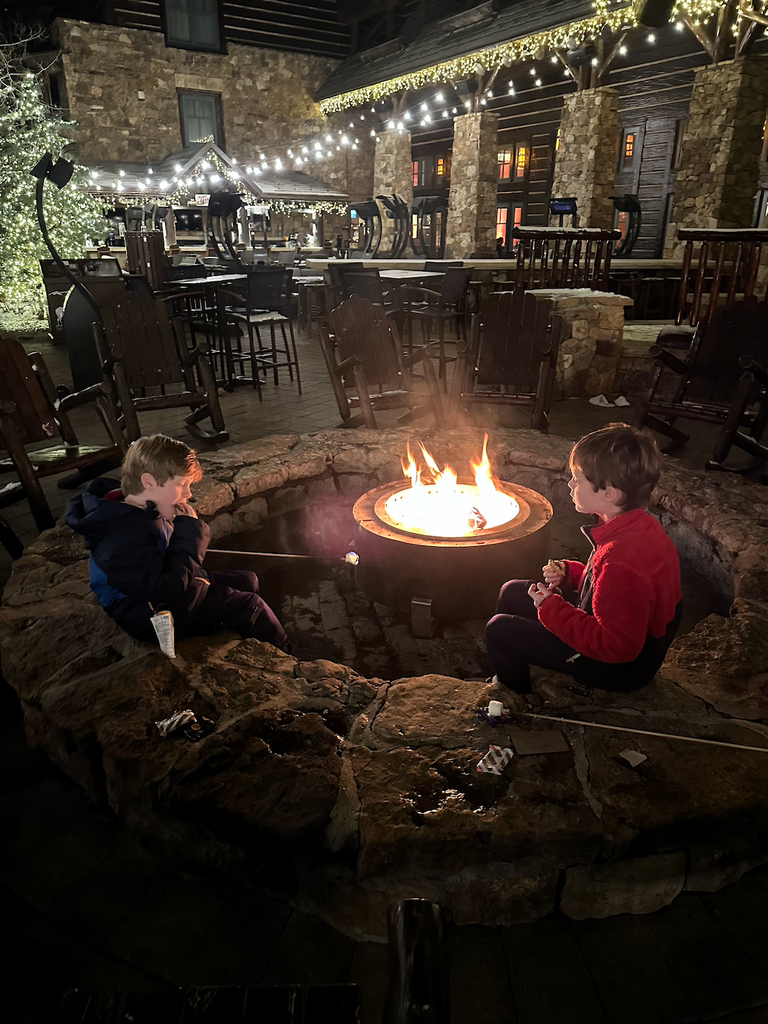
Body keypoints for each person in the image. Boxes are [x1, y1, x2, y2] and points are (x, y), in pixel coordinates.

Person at [485, 423, 681, 694]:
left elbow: (615, 647)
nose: (570, 483)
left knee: (500, 630)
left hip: (616, 669)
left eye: (578, 478)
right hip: (618, 638)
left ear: (609, 493)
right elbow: (605, 590)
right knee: (513, 591)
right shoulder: (635, 524)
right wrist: (571, 574)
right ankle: (512, 661)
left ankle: (514, 693)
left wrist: (551, 608)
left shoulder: (621, 563)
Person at [65, 434, 290, 652]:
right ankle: (284, 650)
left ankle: (244, 632)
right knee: (251, 606)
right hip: (151, 614)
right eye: (182, 484)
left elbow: (162, 560)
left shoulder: (138, 509)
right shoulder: (120, 535)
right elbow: (166, 588)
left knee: (248, 579)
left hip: (160, 592)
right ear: (148, 481)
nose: (188, 494)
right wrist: (190, 533)